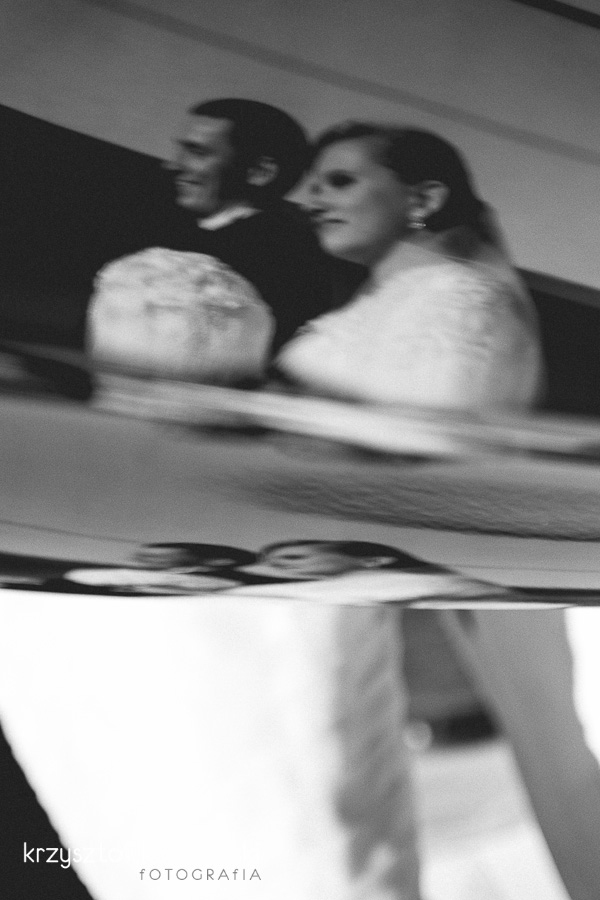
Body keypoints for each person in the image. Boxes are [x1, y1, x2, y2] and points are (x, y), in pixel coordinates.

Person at [277, 122, 544, 410]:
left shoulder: (453, 295)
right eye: (316, 188)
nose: (312, 205)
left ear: (423, 200)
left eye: (341, 182)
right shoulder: (405, 293)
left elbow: (425, 422)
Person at [163, 98, 334, 354]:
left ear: (260, 172)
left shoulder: (281, 253)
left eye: (198, 153)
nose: (173, 165)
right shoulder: (181, 226)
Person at [40, 543, 255, 596]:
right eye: (143, 556)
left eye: (158, 554)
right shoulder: (85, 576)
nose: (144, 558)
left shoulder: (226, 582)